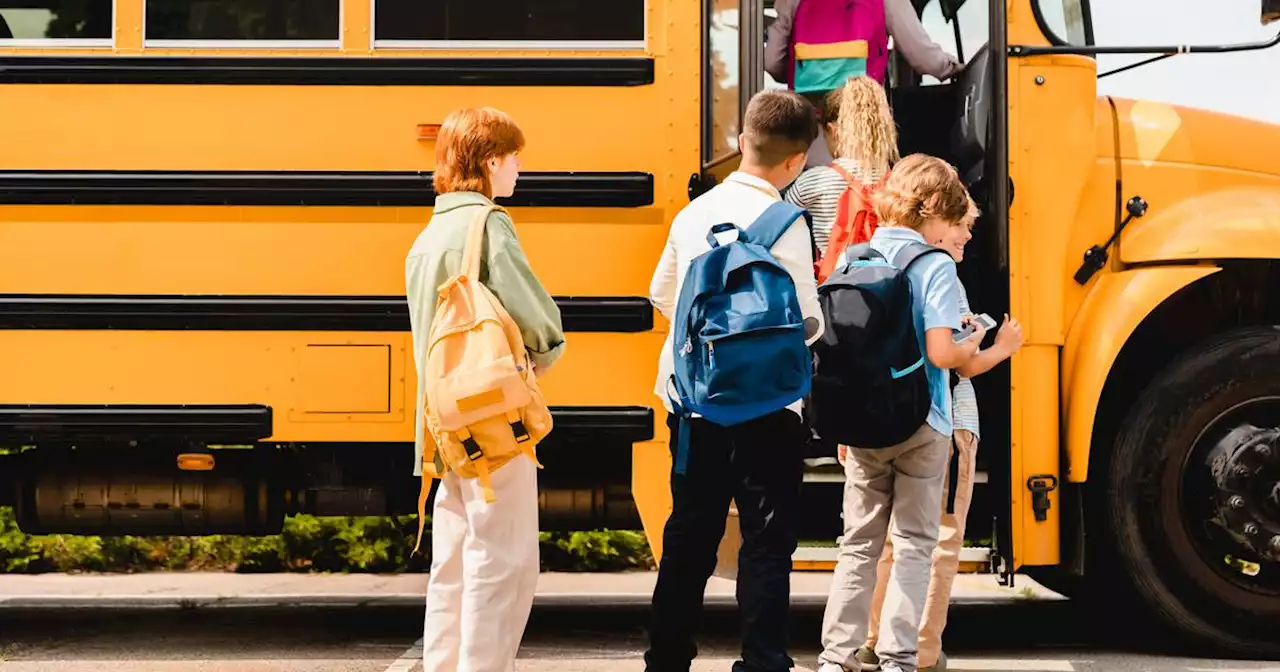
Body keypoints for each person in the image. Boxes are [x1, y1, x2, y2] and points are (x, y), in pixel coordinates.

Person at [645, 89, 824, 672]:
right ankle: (763, 659)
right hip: (770, 411)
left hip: (696, 405)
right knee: (767, 542)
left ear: (742, 141)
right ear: (798, 161)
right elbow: (807, 319)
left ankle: (667, 658)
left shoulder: (692, 215)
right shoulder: (787, 225)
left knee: (689, 537)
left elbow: (661, 295)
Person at [405, 106, 565, 672]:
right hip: (491, 416)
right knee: (505, 556)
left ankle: (444, 664)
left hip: (442, 420)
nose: (519, 167)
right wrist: (544, 358)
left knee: (453, 556)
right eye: (514, 156)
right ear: (491, 160)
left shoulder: (430, 231)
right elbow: (537, 318)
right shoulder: (487, 223)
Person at [817, 154, 983, 672]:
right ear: (934, 212)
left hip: (861, 425)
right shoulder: (935, 267)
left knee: (858, 547)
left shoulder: (853, 258)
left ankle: (835, 657)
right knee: (914, 543)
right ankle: (896, 658)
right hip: (921, 422)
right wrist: (978, 341)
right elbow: (941, 353)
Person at [854, 199, 1025, 672]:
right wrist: (1000, 347)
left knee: (884, 541)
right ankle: (921, 648)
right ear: (931, 221)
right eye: (959, 225)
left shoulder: (871, 263)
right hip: (943, 420)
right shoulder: (940, 275)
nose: (967, 236)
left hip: (877, 418)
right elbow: (959, 362)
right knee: (938, 540)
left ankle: (873, 641)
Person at [765, 0, 962, 167]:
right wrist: (951, 68)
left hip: (810, 121)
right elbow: (924, 58)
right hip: (864, 119)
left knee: (817, 190)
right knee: (862, 193)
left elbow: (772, 62)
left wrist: (801, 73)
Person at [786, 76, 899, 271]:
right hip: (888, 288)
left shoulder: (815, 181)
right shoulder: (900, 182)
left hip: (836, 288)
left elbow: (780, 221)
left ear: (833, 131)